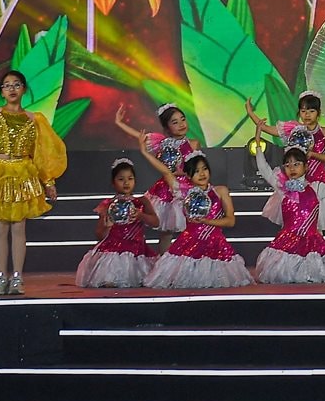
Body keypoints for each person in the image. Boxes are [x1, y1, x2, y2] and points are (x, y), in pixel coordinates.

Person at [0, 69, 67, 297]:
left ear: (24, 89)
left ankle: (18, 277)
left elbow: (43, 152)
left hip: (23, 174)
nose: (12, 89)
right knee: (0, 228)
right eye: (7, 85)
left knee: (19, 228)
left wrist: (48, 181)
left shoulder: (34, 119)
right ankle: (1, 276)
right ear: (1, 92)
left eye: (16, 84)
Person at [254, 144, 325, 284]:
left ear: (306, 167)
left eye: (296, 164)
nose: (292, 168)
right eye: (287, 165)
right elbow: (264, 169)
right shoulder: (282, 188)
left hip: (312, 242)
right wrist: (258, 146)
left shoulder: (316, 187)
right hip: (287, 242)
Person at [142, 150, 252, 289]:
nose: (202, 174)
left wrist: (207, 221)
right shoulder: (184, 193)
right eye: (196, 171)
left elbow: (230, 221)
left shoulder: (220, 191)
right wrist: (144, 151)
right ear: (188, 175)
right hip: (188, 244)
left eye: (204, 169)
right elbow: (166, 172)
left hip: (215, 244)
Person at [244, 92, 325, 230]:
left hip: (318, 180)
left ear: (318, 113)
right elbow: (265, 128)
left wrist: (312, 154)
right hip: (297, 181)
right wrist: (250, 113)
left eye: (311, 111)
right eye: (303, 111)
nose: (307, 115)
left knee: (315, 225)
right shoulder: (293, 130)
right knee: (294, 219)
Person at [113, 101, 198, 244]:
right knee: (166, 231)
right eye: (175, 122)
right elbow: (140, 136)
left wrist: (181, 172)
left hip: (187, 189)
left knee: (192, 227)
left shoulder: (193, 144)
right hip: (166, 189)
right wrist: (119, 123)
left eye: (183, 119)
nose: (181, 124)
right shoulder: (161, 143)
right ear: (167, 127)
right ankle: (164, 257)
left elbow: (195, 168)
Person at [75, 158, 159, 289]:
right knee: (110, 279)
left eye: (130, 178)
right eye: (121, 179)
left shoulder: (142, 202)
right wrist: (107, 227)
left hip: (137, 248)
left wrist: (141, 215)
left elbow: (156, 223)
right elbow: (99, 235)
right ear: (113, 183)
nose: (126, 182)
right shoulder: (107, 205)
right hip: (113, 248)